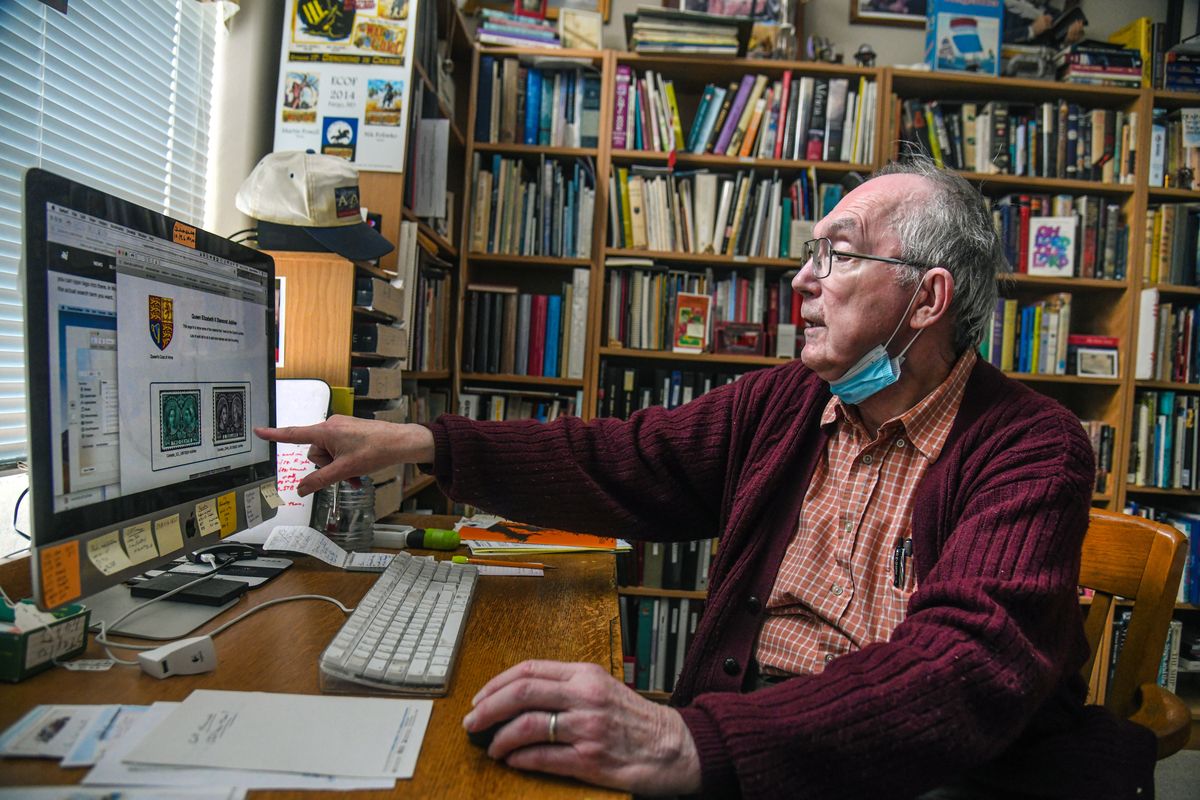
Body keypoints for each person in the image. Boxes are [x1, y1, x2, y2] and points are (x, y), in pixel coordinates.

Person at [255, 160, 1155, 798]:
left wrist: (687, 737)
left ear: (925, 299)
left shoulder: (1032, 444)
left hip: (929, 766)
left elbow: (962, 672)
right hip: (755, 742)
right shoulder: (785, 403)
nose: (801, 278)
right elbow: (619, 459)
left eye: (837, 255)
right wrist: (422, 444)